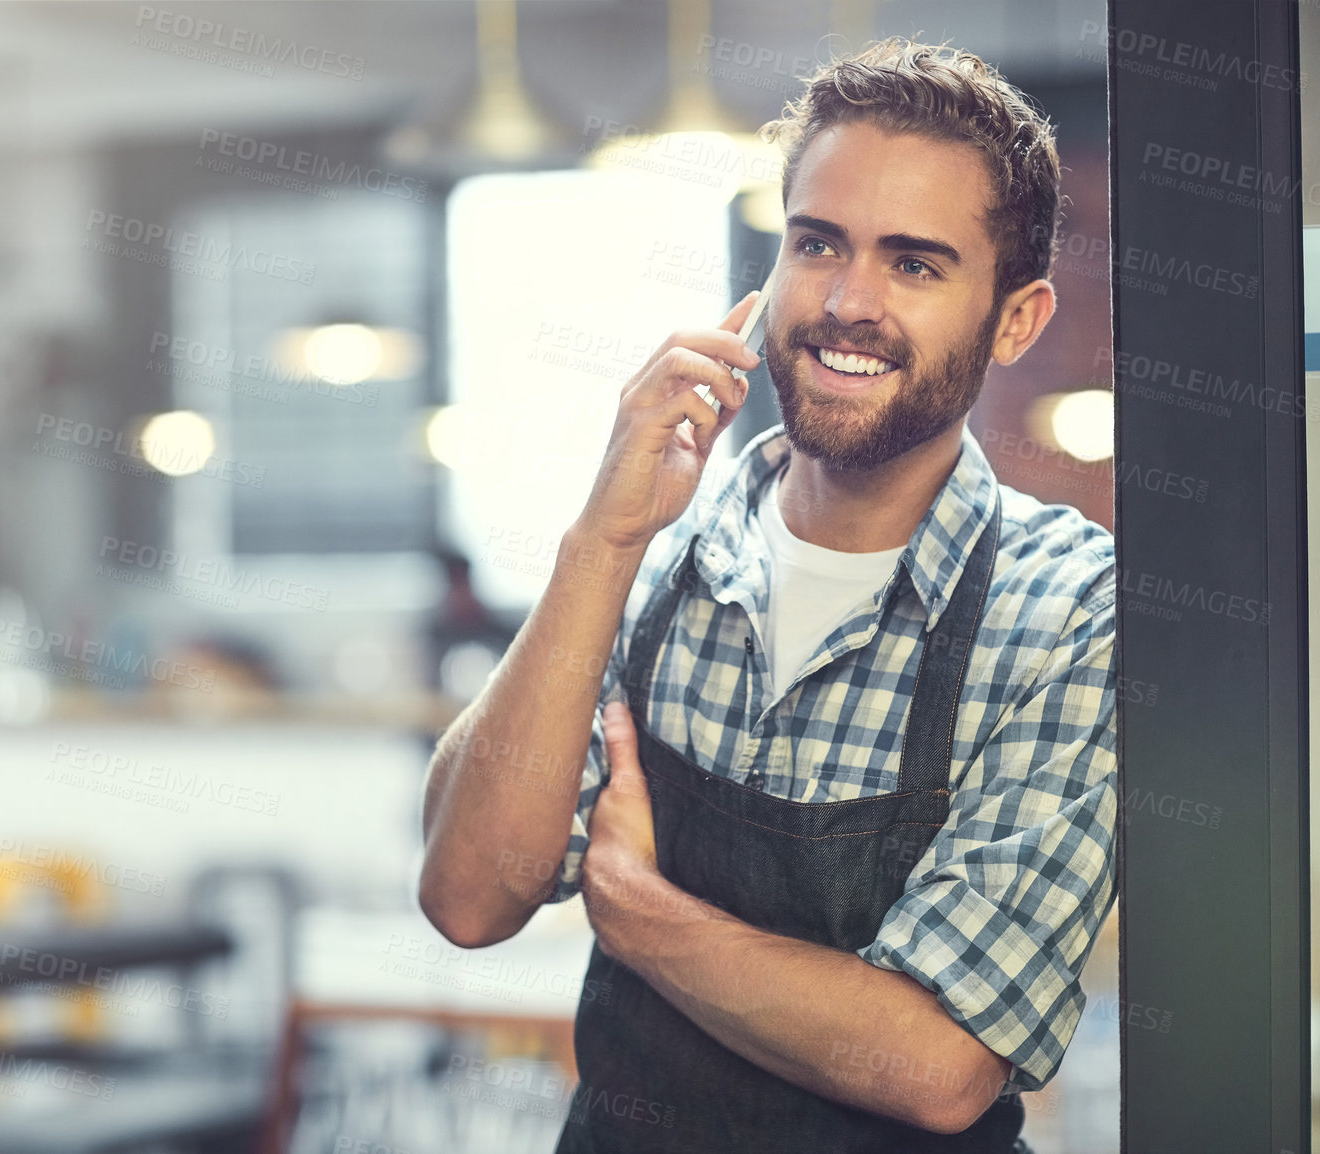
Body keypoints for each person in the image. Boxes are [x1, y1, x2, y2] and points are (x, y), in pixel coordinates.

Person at [419, 37, 1116, 1152]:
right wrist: (601, 537)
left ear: (1016, 320)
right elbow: (468, 894)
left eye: (915, 264)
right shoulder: (653, 562)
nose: (848, 301)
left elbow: (938, 1063)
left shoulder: (1068, 609)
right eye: (817, 242)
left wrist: (640, 913)